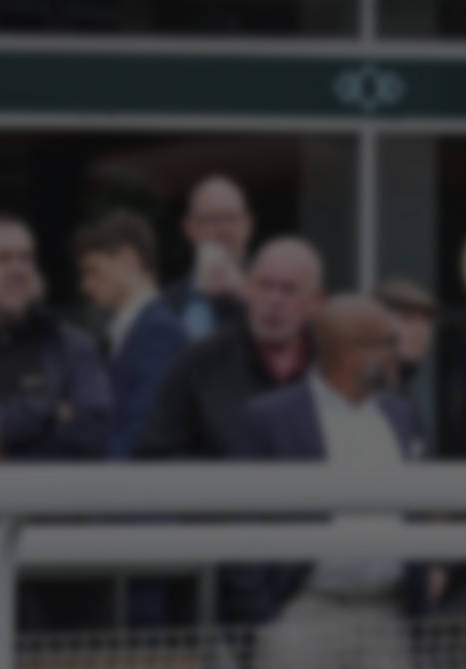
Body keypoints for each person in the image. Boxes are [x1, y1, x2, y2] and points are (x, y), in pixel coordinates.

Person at [225, 295, 424, 669]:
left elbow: (418, 504)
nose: (399, 352)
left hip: (386, 612)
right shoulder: (270, 417)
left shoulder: (401, 414)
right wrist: (264, 616)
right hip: (303, 610)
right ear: (348, 352)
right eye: (388, 342)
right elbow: (240, 516)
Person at [135, 236, 323, 459]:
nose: (274, 300)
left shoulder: (331, 364)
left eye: (288, 289)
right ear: (247, 288)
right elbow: (154, 455)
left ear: (315, 301)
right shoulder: (200, 362)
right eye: (264, 285)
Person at [0, 212, 110, 460]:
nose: (18, 269)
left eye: (26, 258)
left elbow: (94, 436)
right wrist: (51, 410)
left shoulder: (72, 348)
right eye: (2, 258)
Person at [73, 209, 188, 458]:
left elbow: (140, 432)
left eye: (92, 270)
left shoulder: (159, 333)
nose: (85, 285)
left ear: (128, 259)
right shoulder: (136, 330)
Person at [163, 174, 253, 342]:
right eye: (212, 219)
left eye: (231, 218)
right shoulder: (167, 303)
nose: (224, 229)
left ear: (247, 225)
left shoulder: (273, 288)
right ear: (189, 228)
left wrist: (245, 294)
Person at [373, 275, 440, 439]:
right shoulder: (364, 394)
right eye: (407, 318)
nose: (421, 330)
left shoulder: (403, 388)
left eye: (426, 320)